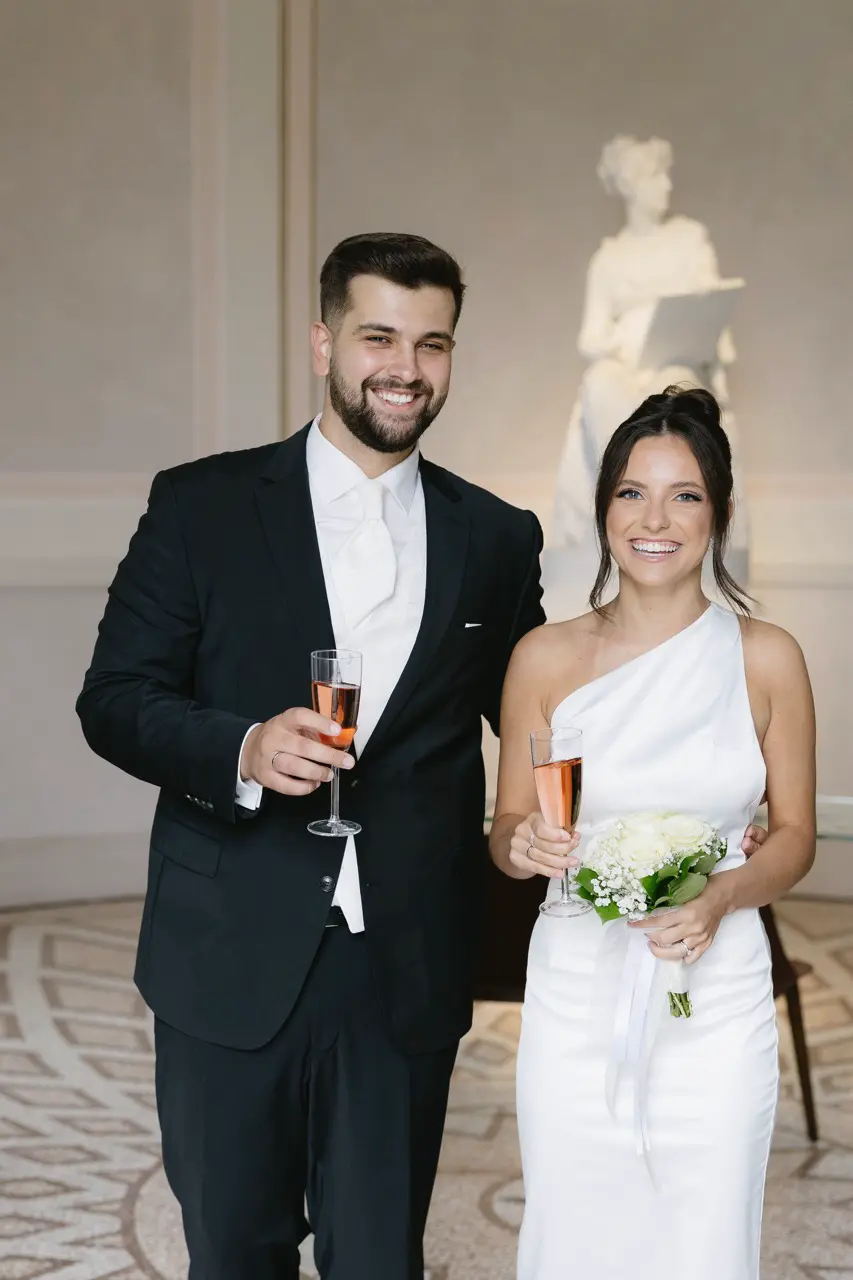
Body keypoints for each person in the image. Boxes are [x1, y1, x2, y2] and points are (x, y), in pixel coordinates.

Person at [76, 232, 549, 1279]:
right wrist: (238, 742)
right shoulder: (202, 505)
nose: (405, 367)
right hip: (227, 947)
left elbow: (542, 719)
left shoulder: (498, 537)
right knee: (236, 1252)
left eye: (433, 344)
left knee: (381, 1259)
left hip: (405, 963)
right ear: (322, 339)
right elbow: (113, 700)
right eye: (380, 335)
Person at [490, 385, 815, 1280]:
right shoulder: (541, 658)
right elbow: (508, 822)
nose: (654, 519)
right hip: (574, 986)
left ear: (718, 514)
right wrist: (519, 844)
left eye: (684, 495)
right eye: (631, 492)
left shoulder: (766, 657)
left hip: (714, 994)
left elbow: (792, 836)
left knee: (704, 1230)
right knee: (575, 1227)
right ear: (602, 509)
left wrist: (720, 897)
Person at [552, 135, 744, 549]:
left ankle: (679, 507)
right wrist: (621, 341)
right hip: (625, 363)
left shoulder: (689, 239)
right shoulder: (610, 258)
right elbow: (591, 335)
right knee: (600, 384)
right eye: (657, 179)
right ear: (632, 186)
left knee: (678, 392)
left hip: (677, 357)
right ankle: (621, 500)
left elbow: (710, 302)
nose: (667, 188)